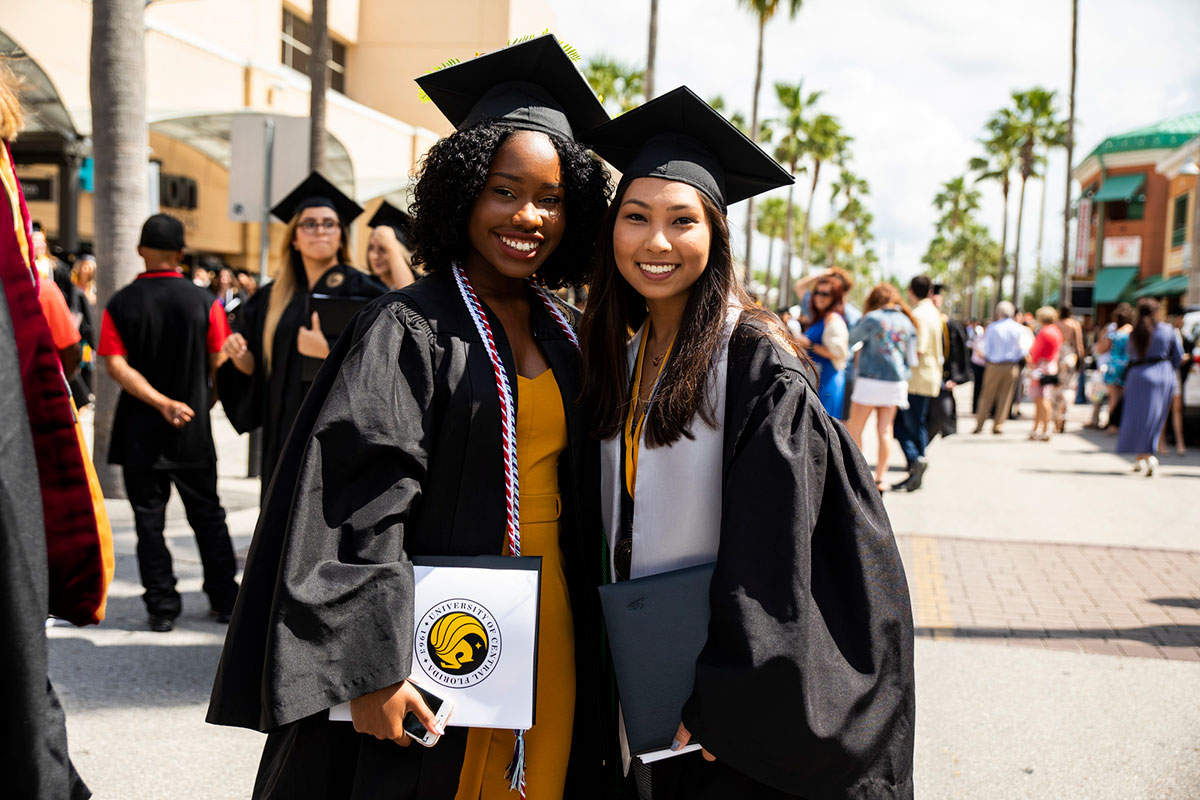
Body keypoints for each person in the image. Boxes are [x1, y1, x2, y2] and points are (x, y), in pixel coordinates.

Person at [207, 34, 615, 800]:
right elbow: (361, 499)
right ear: (464, 193)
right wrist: (371, 665)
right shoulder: (407, 326)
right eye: (505, 190)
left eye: (552, 199)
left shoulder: (569, 330)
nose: (528, 216)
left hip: (555, 615)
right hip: (432, 626)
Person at [581, 86, 914, 800]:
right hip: (641, 675)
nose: (656, 242)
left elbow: (777, 555)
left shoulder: (754, 359)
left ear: (715, 235)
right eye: (635, 218)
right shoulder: (629, 352)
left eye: (682, 221)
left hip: (716, 706)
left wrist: (717, 701)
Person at [97, 214, 240, 632]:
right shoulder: (206, 303)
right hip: (191, 431)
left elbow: (114, 363)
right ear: (180, 254)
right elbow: (220, 364)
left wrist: (159, 403)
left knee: (148, 521)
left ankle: (161, 607)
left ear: (141, 250)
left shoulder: (121, 302)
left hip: (139, 432)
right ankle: (223, 599)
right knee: (208, 516)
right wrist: (197, 401)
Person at [217, 171, 387, 498]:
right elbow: (257, 372)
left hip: (338, 434)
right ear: (294, 237)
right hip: (281, 433)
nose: (319, 231)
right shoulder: (272, 298)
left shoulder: (366, 292)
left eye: (329, 223)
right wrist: (241, 358)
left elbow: (386, 365)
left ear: (340, 235)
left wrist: (326, 351)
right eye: (309, 224)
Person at [846, 283, 919, 492]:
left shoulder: (872, 318)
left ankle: (858, 474)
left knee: (855, 427)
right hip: (896, 382)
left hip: (870, 379)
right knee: (885, 429)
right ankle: (880, 478)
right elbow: (912, 357)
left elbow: (852, 339)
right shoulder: (906, 321)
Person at [1118, 298, 1184, 475]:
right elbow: (1178, 357)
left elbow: (1129, 354)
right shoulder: (1168, 331)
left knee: (1138, 417)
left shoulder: (1135, 332)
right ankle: (1147, 455)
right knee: (1155, 418)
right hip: (1162, 375)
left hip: (1137, 376)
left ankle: (1142, 455)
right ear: (1157, 311)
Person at [892, 274, 942, 491]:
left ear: (910, 292)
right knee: (913, 423)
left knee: (907, 424)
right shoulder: (932, 311)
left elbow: (918, 349)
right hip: (927, 375)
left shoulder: (919, 314)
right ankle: (916, 465)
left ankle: (917, 460)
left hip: (916, 377)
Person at [796, 272, 849, 417]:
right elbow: (799, 287)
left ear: (835, 297)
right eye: (817, 292)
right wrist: (823, 273)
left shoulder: (833, 319)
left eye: (825, 294)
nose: (819, 297)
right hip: (817, 379)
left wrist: (809, 344)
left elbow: (839, 353)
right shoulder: (819, 317)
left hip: (828, 380)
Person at [973, 301, 1029, 434]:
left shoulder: (993, 328)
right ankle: (998, 424)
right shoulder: (1019, 328)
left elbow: (985, 348)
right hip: (1011, 365)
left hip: (994, 365)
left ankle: (980, 424)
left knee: (987, 395)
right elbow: (1024, 349)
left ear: (999, 313)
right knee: (1006, 396)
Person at [924, 282, 970, 442]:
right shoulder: (919, 318)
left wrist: (955, 376)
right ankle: (916, 453)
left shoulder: (947, 323)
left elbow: (958, 351)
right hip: (921, 377)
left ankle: (920, 449)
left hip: (942, 377)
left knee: (942, 413)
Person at [1025, 306, 1062, 441]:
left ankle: (1043, 428)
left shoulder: (1044, 332)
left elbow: (1036, 351)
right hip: (1051, 365)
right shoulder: (1056, 331)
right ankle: (1040, 428)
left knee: (1041, 400)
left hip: (1042, 367)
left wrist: (1031, 361)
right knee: (1043, 398)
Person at [367, 200, 418, 289]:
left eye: (383, 249)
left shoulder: (420, 284)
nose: (374, 256)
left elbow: (406, 292)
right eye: (371, 248)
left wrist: (391, 245)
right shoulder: (364, 285)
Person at [1102, 303, 1134, 433]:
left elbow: (1103, 348)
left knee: (1113, 398)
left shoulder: (1114, 333)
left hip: (1114, 366)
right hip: (1127, 365)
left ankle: (1112, 425)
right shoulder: (1132, 331)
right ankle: (1123, 425)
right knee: (1125, 397)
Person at [1053, 305, 1085, 433]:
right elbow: (1079, 344)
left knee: (1056, 386)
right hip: (1070, 356)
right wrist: (1080, 360)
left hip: (1057, 355)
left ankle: (1056, 416)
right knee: (1068, 387)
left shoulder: (1056, 324)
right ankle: (1063, 415)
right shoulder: (1074, 324)